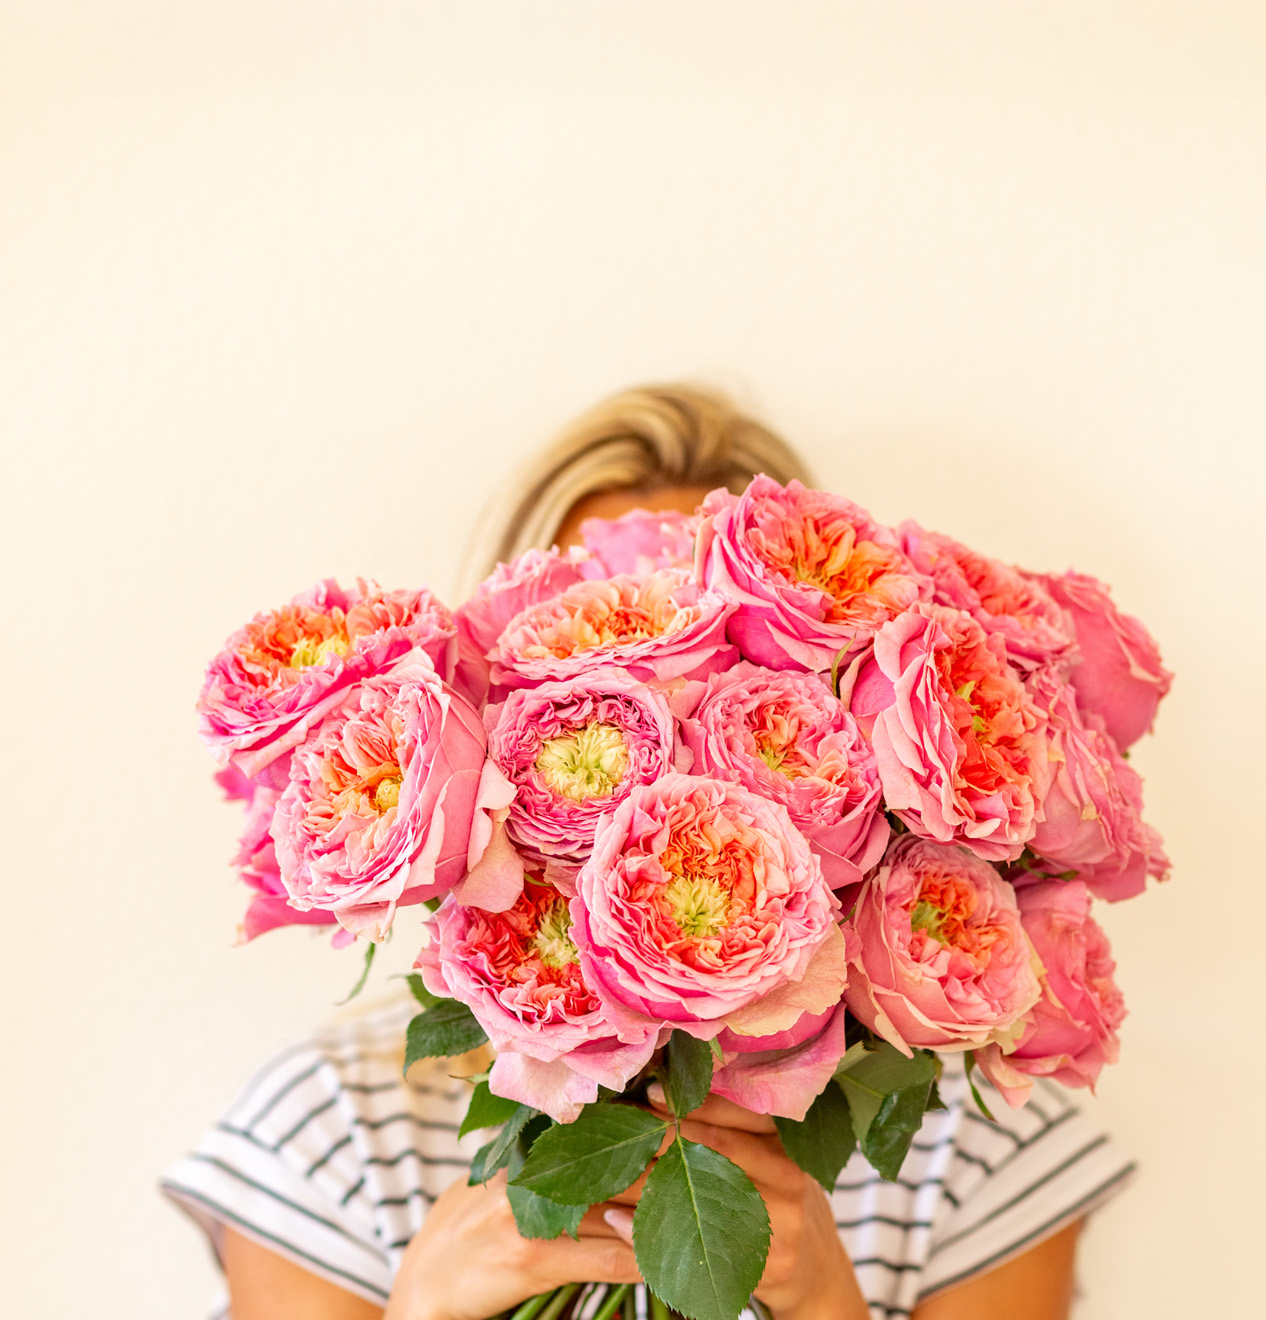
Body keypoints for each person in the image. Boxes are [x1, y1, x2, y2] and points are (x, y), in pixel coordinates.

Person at [162, 385, 1136, 1320]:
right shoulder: (330, 1127)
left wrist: (827, 1310)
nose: (628, 663)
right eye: (587, 610)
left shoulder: (967, 1154)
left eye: (694, 628)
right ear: (489, 679)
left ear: (819, 688)